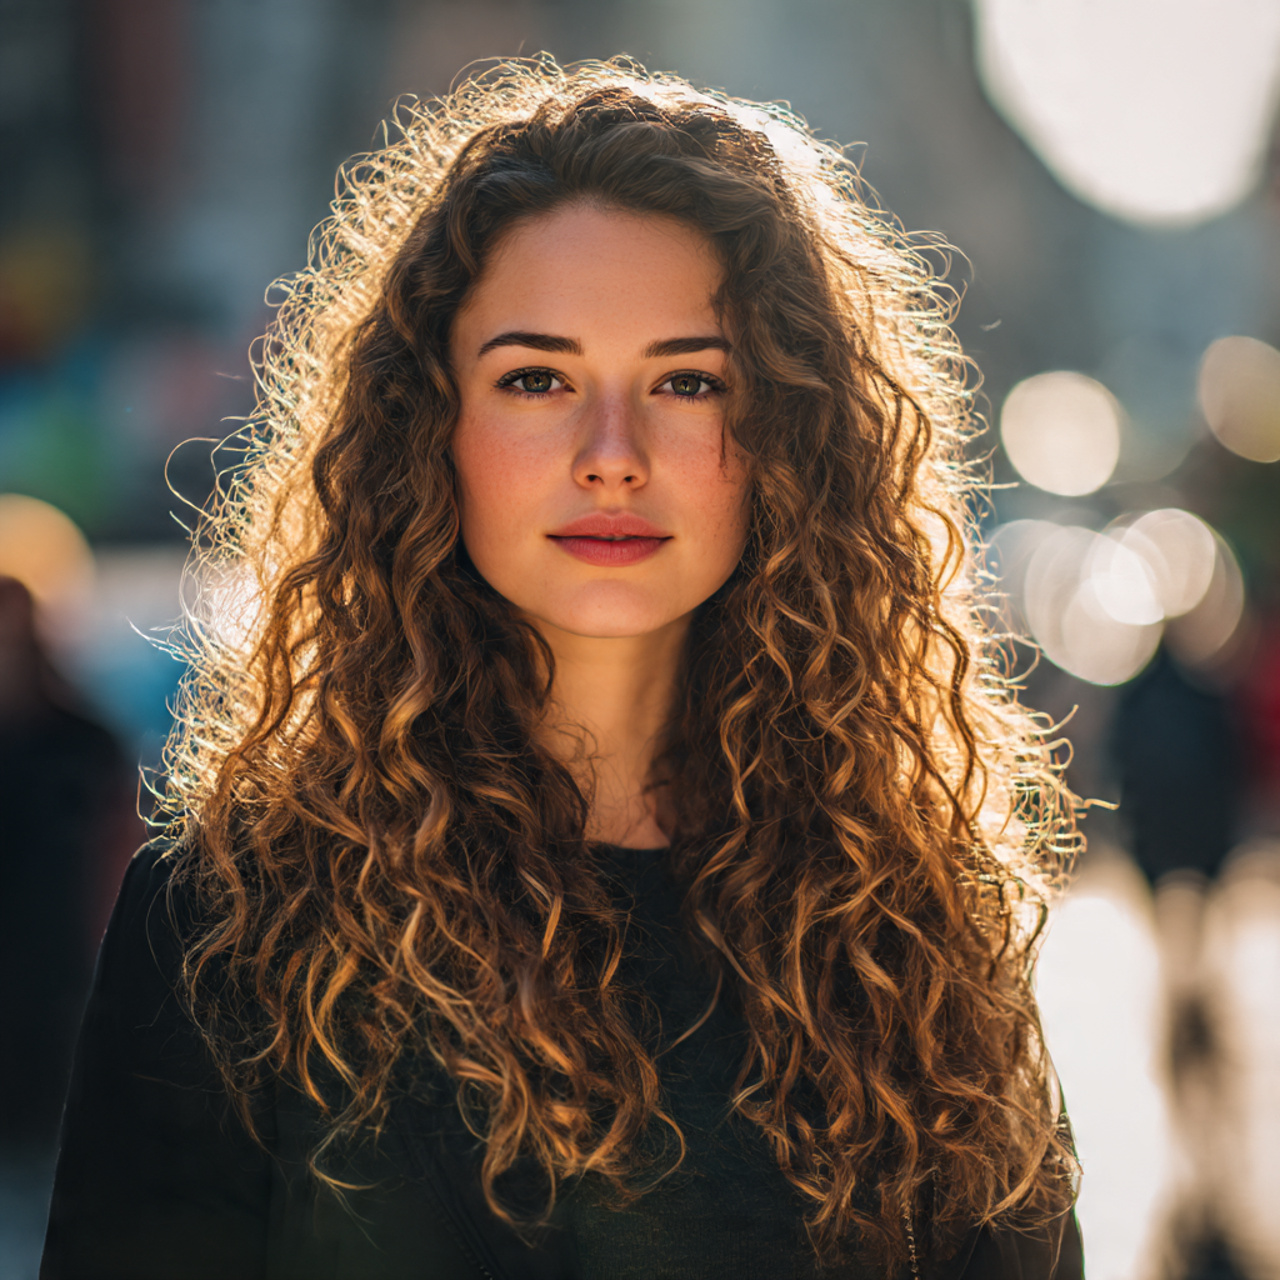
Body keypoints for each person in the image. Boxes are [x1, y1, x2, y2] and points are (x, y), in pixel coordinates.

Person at [41, 59, 1084, 1279]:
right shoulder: (235, 920)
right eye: (536, 378)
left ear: (786, 436)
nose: (611, 453)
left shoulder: (908, 926)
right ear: (432, 424)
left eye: (687, 382)